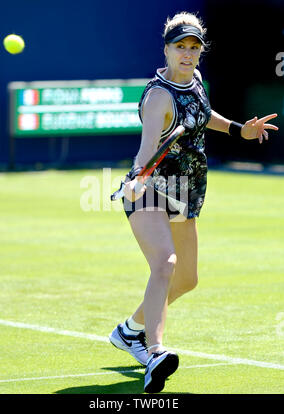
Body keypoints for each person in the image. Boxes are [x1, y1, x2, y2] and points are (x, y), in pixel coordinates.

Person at [109, 11, 278, 393]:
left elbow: (202, 116)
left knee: (187, 279)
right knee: (165, 264)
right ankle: (154, 352)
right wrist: (138, 178)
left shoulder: (197, 80)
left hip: (188, 191)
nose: (187, 54)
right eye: (180, 47)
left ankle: (130, 331)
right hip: (150, 189)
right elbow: (148, 147)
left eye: (193, 48)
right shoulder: (158, 97)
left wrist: (239, 129)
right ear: (166, 50)